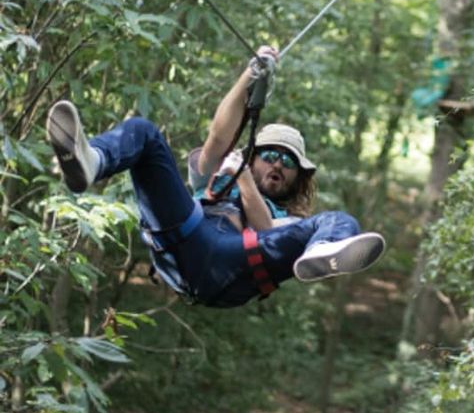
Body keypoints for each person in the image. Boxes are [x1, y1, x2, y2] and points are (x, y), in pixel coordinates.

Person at [45, 46, 385, 308]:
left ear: (298, 178)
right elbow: (218, 139)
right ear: (253, 158)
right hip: (187, 235)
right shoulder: (216, 179)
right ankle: (93, 161)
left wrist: (245, 181)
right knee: (144, 131)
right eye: (269, 156)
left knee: (337, 220)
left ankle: (325, 251)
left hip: (237, 264)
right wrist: (250, 75)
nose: (278, 165)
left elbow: (265, 230)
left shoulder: (290, 221)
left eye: (288, 162)